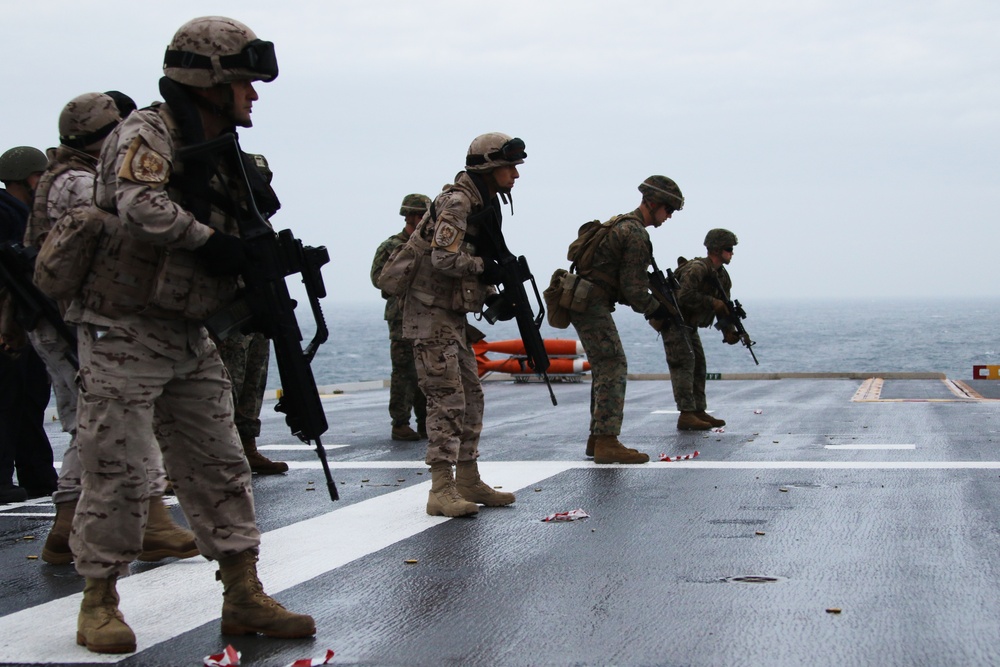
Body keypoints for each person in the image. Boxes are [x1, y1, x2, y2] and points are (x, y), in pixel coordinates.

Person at [65, 16, 314, 654]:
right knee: (116, 466)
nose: (253, 96)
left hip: (186, 328)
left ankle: (243, 593)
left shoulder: (223, 146)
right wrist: (215, 245)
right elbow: (139, 204)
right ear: (210, 81)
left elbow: (244, 228)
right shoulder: (147, 130)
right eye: (245, 83)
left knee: (220, 464)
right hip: (125, 327)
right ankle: (98, 599)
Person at [25, 92, 198, 565]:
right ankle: (151, 522)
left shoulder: (62, 178)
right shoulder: (82, 183)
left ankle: (66, 525)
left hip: (65, 318)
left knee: (90, 422)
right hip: (92, 319)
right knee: (114, 422)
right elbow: (131, 230)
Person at [401, 133, 523, 517]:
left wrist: (491, 288)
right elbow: (442, 260)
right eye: (510, 166)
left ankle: (468, 478)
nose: (516, 175)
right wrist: (486, 267)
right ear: (489, 165)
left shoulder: (481, 203)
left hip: (451, 316)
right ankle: (441, 488)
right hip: (429, 313)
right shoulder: (457, 202)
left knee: (472, 395)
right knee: (446, 398)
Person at [568, 175, 684, 464]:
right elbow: (633, 289)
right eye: (668, 210)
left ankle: (597, 439)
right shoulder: (636, 234)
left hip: (584, 299)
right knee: (613, 364)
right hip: (591, 302)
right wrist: (656, 309)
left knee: (604, 365)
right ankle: (607, 442)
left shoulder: (621, 224)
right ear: (653, 203)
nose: (668, 217)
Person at [217, 153, 287, 475]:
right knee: (227, 382)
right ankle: (222, 452)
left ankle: (247, 447)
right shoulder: (222, 215)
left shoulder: (261, 221)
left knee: (254, 380)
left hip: (259, 310)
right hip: (231, 312)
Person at [0, 146, 58, 503]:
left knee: (30, 397)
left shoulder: (19, 212)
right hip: (13, 318)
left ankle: (37, 474)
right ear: (31, 178)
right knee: (11, 399)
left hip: (27, 315)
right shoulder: (9, 215)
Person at [665, 228, 741, 430]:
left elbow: (723, 306)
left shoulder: (722, 276)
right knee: (684, 363)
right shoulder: (697, 269)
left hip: (690, 325)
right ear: (716, 250)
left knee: (699, 364)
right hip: (675, 322)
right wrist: (712, 302)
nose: (731, 253)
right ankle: (686, 414)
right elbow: (684, 296)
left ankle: (698, 410)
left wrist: (729, 331)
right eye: (728, 249)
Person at [370, 193, 429, 442]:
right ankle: (400, 423)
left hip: (426, 316)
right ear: (414, 216)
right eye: (424, 216)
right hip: (400, 316)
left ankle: (426, 422)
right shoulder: (392, 246)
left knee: (426, 370)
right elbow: (378, 279)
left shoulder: (429, 244)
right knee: (404, 371)